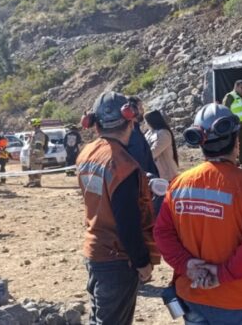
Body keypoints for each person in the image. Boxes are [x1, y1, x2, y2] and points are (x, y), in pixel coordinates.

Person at [155, 103, 242, 324]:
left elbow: (162, 233)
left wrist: (187, 266)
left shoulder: (179, 183)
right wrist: (222, 274)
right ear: (236, 142)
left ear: (200, 143)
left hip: (193, 294)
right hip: (237, 300)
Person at [77, 91, 159, 325]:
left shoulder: (87, 154)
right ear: (130, 121)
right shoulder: (123, 165)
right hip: (117, 259)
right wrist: (142, 262)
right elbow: (127, 223)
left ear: (95, 125)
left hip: (95, 251)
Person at [144, 108, 179, 214]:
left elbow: (154, 152)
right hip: (155, 173)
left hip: (166, 174)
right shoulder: (149, 133)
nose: (145, 123)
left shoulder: (163, 134)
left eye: (146, 121)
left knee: (163, 204)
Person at [126, 96, 159, 177]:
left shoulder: (135, 130)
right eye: (140, 107)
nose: (143, 110)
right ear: (133, 110)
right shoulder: (132, 133)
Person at [223, 80, 242, 170]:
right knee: (240, 148)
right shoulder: (230, 96)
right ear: (236, 87)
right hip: (237, 126)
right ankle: (241, 167)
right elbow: (225, 111)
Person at [26, 119, 48, 188]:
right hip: (33, 154)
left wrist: (34, 153)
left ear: (36, 125)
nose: (31, 127)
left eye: (32, 125)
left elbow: (39, 144)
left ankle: (37, 183)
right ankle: (31, 181)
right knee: (31, 168)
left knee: (36, 168)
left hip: (37, 155)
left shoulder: (39, 134)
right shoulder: (35, 133)